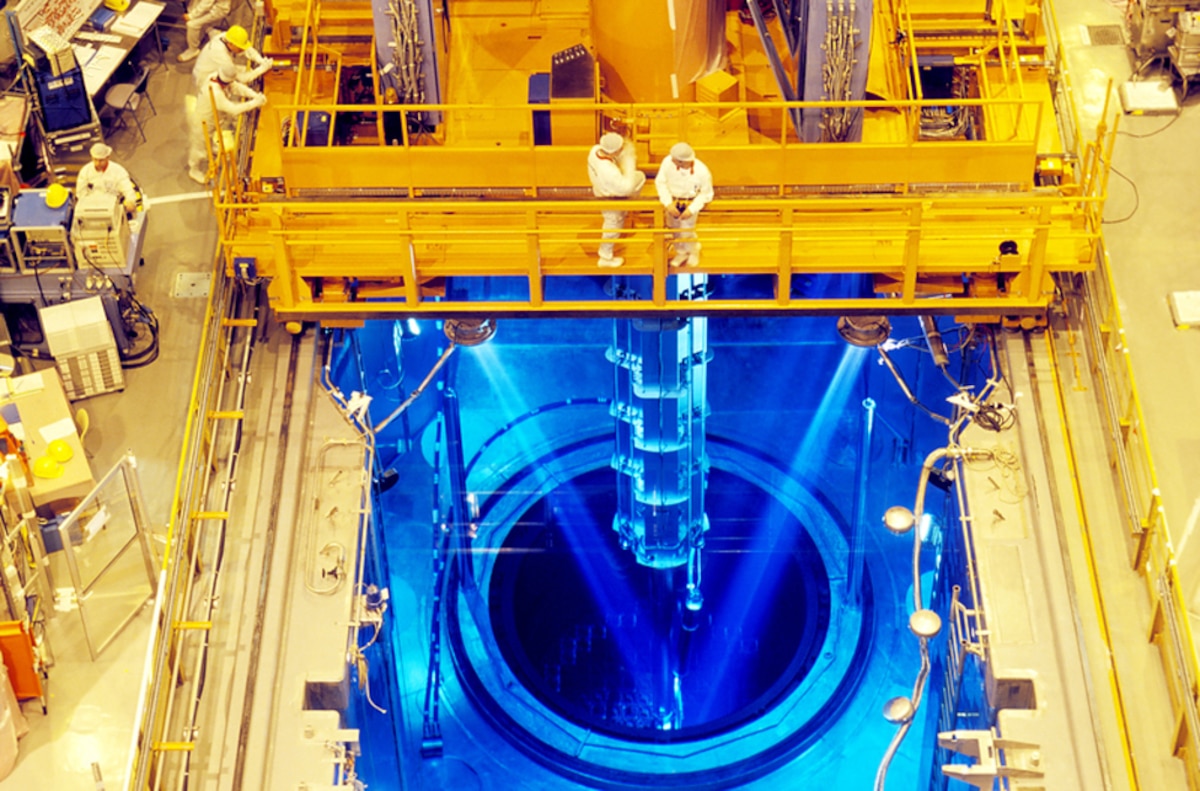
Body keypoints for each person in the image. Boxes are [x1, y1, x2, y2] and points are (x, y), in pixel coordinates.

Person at [188, 64, 266, 184]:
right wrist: (255, 103)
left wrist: (254, 95)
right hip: (202, 123)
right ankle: (194, 170)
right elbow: (233, 109)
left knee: (210, 137)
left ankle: (212, 148)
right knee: (199, 148)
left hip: (213, 120)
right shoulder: (215, 92)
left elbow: (236, 87)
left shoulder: (217, 77)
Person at [586, 132, 645, 267]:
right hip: (610, 197)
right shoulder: (608, 171)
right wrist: (630, 160)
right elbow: (627, 188)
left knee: (639, 177)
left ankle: (624, 212)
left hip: (602, 189)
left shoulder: (595, 150)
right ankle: (605, 258)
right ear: (613, 153)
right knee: (613, 224)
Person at [654, 142, 714, 267]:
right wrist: (668, 203)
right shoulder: (667, 162)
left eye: (675, 160)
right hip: (673, 201)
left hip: (690, 202)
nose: (672, 161)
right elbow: (661, 182)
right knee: (674, 229)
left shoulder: (702, 171)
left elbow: (706, 194)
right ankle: (681, 252)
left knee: (687, 231)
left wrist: (692, 209)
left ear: (683, 161)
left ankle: (693, 252)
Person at [193, 25, 273, 89]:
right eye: (240, 47)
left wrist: (260, 60)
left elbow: (247, 49)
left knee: (247, 70)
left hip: (214, 66)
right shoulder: (222, 57)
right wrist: (262, 69)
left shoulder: (226, 36)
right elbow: (243, 78)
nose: (242, 49)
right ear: (231, 44)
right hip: (206, 77)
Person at [76, 143, 138, 213]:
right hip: (93, 207)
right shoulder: (85, 171)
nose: (98, 163)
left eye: (101, 160)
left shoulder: (118, 171)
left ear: (108, 157)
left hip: (113, 206)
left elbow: (127, 189)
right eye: (95, 160)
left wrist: (130, 200)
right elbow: (81, 193)